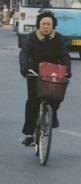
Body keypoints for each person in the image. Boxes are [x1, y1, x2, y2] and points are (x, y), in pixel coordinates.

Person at [19, 11, 71, 146]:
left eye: (49, 24)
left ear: (53, 26)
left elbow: (65, 56)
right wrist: (25, 68)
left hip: (53, 73)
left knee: (56, 97)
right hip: (34, 72)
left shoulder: (58, 39)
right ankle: (29, 134)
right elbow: (24, 53)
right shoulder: (31, 38)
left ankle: (53, 113)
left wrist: (67, 71)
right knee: (32, 101)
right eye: (43, 24)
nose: (46, 26)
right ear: (39, 25)